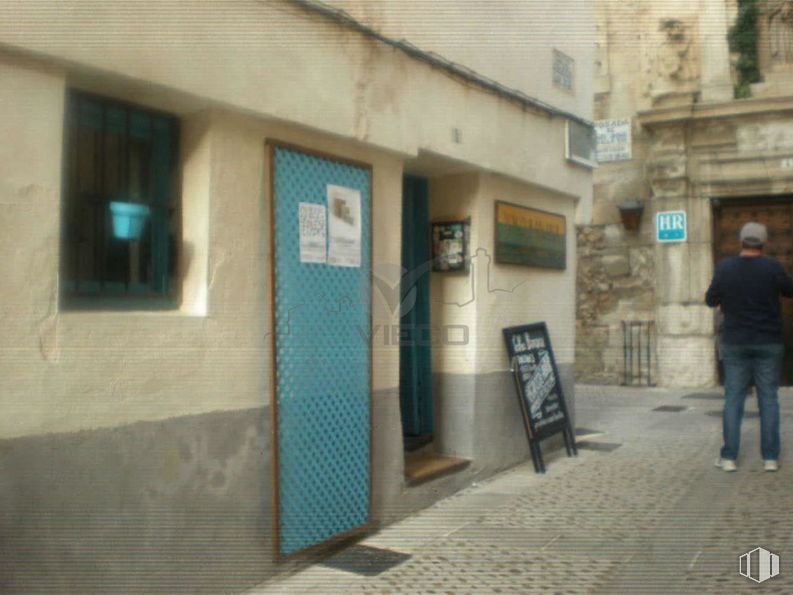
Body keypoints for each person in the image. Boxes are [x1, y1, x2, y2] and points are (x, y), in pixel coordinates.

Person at [705, 221, 793, 472]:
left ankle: (729, 457)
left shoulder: (726, 268)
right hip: (768, 342)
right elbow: (790, 290)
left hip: (735, 342)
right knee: (768, 399)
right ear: (764, 244)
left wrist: (726, 300)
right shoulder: (772, 267)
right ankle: (770, 458)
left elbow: (710, 299)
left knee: (733, 399)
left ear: (740, 242)